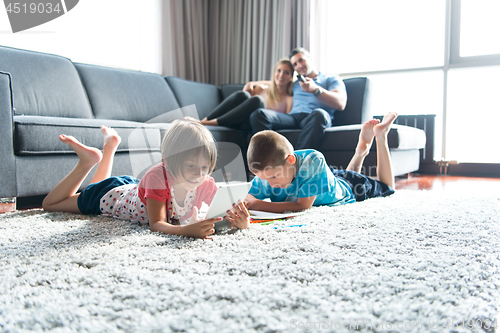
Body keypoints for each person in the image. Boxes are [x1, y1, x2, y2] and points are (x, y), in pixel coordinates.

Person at [42, 120, 251, 238]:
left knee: (94, 184)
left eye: (205, 168)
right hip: (109, 196)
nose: (199, 174)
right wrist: (185, 230)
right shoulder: (157, 176)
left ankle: (108, 150)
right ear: (168, 161)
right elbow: (157, 224)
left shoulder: (204, 182)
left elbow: (223, 214)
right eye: (191, 166)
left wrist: (241, 221)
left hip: (133, 187)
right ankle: (86, 162)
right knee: (51, 204)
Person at [245, 112, 398, 213]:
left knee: (387, 187)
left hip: (350, 187)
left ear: (290, 160)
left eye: (274, 177)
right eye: (264, 179)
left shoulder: (314, 160)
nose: (270, 184)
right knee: (341, 176)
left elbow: (302, 206)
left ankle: (381, 136)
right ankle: (360, 152)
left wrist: (256, 204)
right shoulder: (268, 172)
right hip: (328, 178)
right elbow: (247, 198)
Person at [249, 47, 347, 150]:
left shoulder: (330, 79)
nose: (299, 65)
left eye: (301, 60)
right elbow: (276, 82)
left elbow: (340, 103)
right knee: (259, 114)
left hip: (314, 117)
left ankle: (298, 162)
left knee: (320, 114)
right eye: (295, 64)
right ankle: (272, 159)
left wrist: (316, 90)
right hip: (293, 118)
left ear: (310, 58)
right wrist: (252, 83)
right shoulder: (295, 84)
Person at [186, 59, 294, 132]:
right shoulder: (263, 88)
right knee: (243, 95)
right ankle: (205, 120)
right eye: (278, 71)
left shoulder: (289, 98)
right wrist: (250, 84)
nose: (281, 75)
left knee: (258, 101)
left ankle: (207, 123)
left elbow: (285, 121)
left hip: (251, 125)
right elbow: (248, 93)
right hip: (237, 119)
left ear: (291, 77)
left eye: (286, 72)